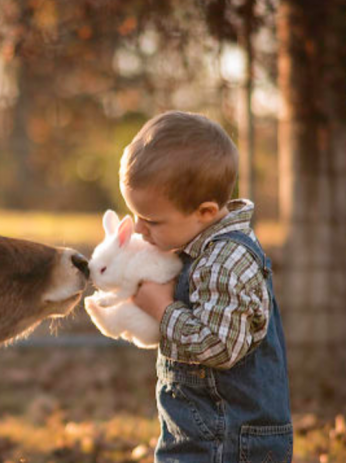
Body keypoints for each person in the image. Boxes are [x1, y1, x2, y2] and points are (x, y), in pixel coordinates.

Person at [119, 111, 293, 462]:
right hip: (203, 431)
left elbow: (218, 346)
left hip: (230, 441)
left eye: (152, 220)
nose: (138, 229)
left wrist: (163, 310)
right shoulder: (198, 248)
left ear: (205, 212)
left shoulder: (225, 262)